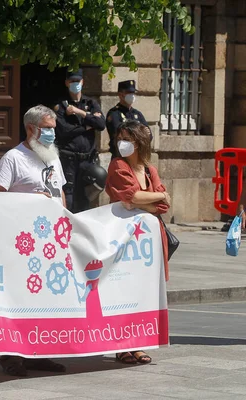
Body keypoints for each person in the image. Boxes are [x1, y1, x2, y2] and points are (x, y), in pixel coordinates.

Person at [0, 105, 67, 377]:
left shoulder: (52, 157)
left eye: (53, 129)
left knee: (46, 298)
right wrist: (31, 202)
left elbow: (60, 192)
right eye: (47, 129)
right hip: (21, 244)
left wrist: (65, 224)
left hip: (51, 242)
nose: (51, 134)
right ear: (31, 128)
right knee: (18, 298)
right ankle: (11, 356)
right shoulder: (13, 158)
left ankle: (39, 351)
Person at [105, 120, 171, 365]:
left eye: (127, 139)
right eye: (119, 138)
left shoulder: (149, 169)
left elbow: (162, 205)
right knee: (124, 290)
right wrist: (157, 196)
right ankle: (122, 345)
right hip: (124, 238)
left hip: (149, 243)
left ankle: (138, 343)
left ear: (140, 143)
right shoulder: (118, 165)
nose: (121, 143)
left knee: (144, 292)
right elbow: (130, 195)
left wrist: (150, 200)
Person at [54, 69, 106, 213]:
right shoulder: (61, 105)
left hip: (87, 160)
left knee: (85, 199)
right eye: (72, 81)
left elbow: (101, 124)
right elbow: (64, 131)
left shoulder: (90, 103)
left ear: (82, 82)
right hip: (68, 160)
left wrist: (80, 112)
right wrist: (88, 125)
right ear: (66, 83)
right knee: (68, 199)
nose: (75, 84)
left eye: (78, 81)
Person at [106, 80, 151, 158]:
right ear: (120, 94)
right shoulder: (114, 113)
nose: (132, 95)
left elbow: (149, 135)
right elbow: (120, 134)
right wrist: (140, 132)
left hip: (137, 157)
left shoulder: (137, 114)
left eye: (133, 93)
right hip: (121, 156)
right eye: (129, 93)